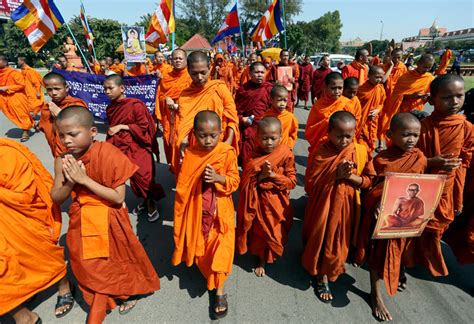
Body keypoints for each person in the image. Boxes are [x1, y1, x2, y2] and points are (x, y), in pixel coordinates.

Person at [51, 106, 160, 323]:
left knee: (117, 259)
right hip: (82, 217)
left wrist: (84, 180)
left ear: (92, 132)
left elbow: (118, 197)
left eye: (73, 134)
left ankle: (127, 292)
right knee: (87, 263)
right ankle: (104, 292)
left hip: (110, 216)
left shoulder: (109, 153)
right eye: (61, 135)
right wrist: (71, 180)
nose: (66, 140)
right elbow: (56, 196)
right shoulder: (63, 159)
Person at [353, 113, 427, 321]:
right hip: (384, 217)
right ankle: (376, 295)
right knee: (378, 255)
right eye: (405, 134)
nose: (411, 139)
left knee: (400, 251)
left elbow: (419, 186)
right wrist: (377, 202)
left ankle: (397, 272)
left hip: (406, 219)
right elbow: (369, 188)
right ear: (389, 134)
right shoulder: (381, 159)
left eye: (416, 135)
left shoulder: (419, 158)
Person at [172, 111, 239, 319]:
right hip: (198, 212)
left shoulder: (227, 152)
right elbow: (182, 187)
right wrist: (197, 180)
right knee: (203, 248)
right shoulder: (191, 154)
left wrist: (218, 178)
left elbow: (235, 181)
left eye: (213, 135)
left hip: (221, 212)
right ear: (194, 133)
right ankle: (208, 274)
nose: (208, 140)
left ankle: (219, 290)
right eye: (202, 135)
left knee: (221, 249)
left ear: (221, 132)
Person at [302, 111, 375, 303]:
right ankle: (320, 274)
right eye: (339, 135)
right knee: (320, 236)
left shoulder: (360, 151)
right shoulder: (321, 152)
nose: (344, 140)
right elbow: (310, 184)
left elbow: (368, 181)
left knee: (338, 240)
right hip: (323, 205)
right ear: (329, 132)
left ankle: (326, 272)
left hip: (347, 206)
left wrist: (349, 177)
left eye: (348, 136)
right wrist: (334, 176)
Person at [0, 138, 74, 322]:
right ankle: (23, 317)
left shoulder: (8, 154)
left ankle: (63, 284)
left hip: (19, 217)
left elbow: (25, 194)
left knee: (37, 251)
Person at [416, 74, 473, 280]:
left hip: (449, 188)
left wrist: (459, 194)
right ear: (432, 100)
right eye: (447, 97)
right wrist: (431, 162)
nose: (455, 102)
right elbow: (407, 158)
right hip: (421, 185)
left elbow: (465, 162)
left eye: (459, 96)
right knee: (415, 223)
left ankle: (424, 257)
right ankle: (409, 258)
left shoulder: (467, 128)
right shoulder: (422, 127)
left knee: (437, 225)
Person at [237, 116, 296, 277]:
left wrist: (272, 176)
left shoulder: (285, 153)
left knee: (275, 231)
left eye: (273, 138)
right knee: (260, 231)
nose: (269, 142)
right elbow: (245, 181)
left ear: (280, 136)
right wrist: (262, 177)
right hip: (258, 201)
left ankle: (269, 252)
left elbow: (292, 182)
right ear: (257, 137)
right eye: (264, 138)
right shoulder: (252, 155)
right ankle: (261, 259)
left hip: (277, 202)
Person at [103, 74, 165, 222]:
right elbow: (112, 125)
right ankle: (145, 200)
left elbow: (144, 127)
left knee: (143, 176)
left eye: (110, 88)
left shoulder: (135, 105)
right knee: (131, 177)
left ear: (122, 88)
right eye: (105, 89)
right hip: (120, 146)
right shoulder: (111, 108)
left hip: (138, 145)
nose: (107, 92)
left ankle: (150, 202)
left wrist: (122, 126)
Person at [172, 51, 239, 175]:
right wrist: (183, 141)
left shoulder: (220, 88)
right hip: (195, 148)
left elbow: (232, 119)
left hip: (219, 143)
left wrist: (226, 145)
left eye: (203, 72)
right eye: (194, 73)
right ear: (188, 71)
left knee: (219, 186)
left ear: (210, 68)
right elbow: (184, 125)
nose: (199, 77)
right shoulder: (185, 95)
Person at [378, 53, 435, 149]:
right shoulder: (406, 77)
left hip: (417, 113)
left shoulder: (430, 78)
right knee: (400, 137)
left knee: (413, 138)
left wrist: (428, 97)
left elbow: (433, 99)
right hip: (402, 112)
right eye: (425, 66)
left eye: (429, 67)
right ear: (419, 63)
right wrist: (410, 96)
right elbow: (396, 96)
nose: (426, 70)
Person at [305, 72, 361, 164]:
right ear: (325, 87)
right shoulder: (319, 106)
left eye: (340, 88)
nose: (337, 91)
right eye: (333, 88)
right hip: (323, 146)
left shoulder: (347, 103)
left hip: (343, 145)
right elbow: (310, 129)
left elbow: (354, 126)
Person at [39, 72, 87, 158]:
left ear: (66, 88)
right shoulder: (47, 108)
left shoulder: (76, 104)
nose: (53, 93)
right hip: (57, 150)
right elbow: (47, 130)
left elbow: (84, 127)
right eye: (49, 89)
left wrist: (60, 114)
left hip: (76, 152)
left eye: (57, 89)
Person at [156, 48, 192, 164]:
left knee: (183, 145)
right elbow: (160, 96)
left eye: (180, 58)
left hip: (186, 118)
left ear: (186, 60)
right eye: (175, 58)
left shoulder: (191, 76)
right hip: (169, 118)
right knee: (170, 143)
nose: (177, 60)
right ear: (171, 60)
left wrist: (178, 105)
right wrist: (165, 99)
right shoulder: (166, 78)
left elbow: (196, 98)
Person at [235, 61, 273, 165]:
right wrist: (242, 119)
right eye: (257, 72)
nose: (260, 75)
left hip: (265, 129)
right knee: (247, 160)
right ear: (250, 74)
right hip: (249, 129)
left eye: (262, 72)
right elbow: (235, 111)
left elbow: (275, 110)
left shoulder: (269, 88)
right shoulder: (243, 90)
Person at [0, 55, 33, 142]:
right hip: (4, 98)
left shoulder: (13, 72)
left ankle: (25, 132)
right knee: (12, 114)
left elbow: (21, 85)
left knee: (21, 114)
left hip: (16, 96)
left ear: (5, 62)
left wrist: (8, 88)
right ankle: (33, 124)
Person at [357, 66, 387, 153]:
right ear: (369, 76)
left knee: (371, 143)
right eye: (377, 77)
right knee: (361, 146)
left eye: (381, 77)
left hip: (373, 122)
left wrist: (378, 110)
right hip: (361, 122)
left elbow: (381, 103)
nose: (379, 79)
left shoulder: (380, 88)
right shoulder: (361, 89)